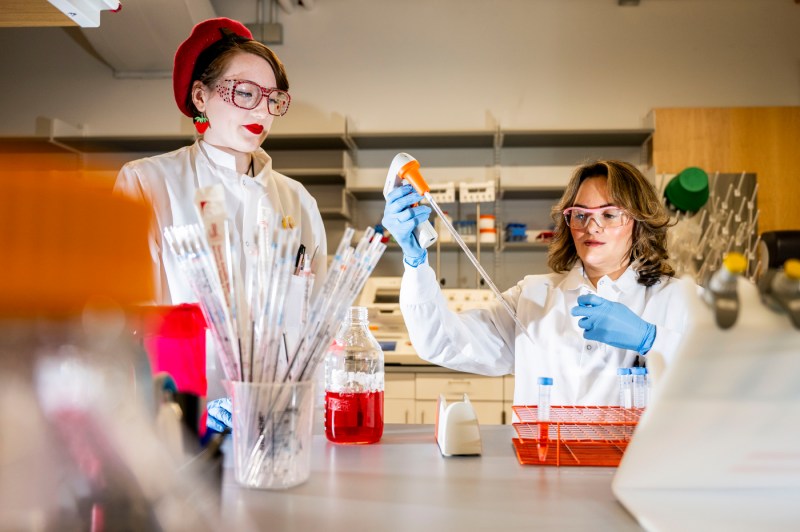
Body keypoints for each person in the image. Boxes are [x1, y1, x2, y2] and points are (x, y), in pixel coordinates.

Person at [114, 17, 327, 431]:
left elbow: (316, 331)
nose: (262, 110)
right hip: (176, 424)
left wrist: (308, 426)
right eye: (245, 93)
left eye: (273, 99)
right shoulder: (147, 183)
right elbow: (122, 324)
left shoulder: (298, 201)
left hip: (278, 425)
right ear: (200, 96)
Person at [383, 160, 694, 407]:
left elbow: (734, 376)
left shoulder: (680, 299)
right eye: (580, 214)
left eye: (610, 214)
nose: (591, 226)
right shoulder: (532, 298)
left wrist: (650, 339)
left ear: (639, 222)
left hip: (633, 480)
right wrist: (415, 263)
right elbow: (439, 342)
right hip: (544, 476)